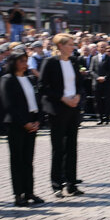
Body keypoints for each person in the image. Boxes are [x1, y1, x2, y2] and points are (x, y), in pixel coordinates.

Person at [38, 33, 84, 198]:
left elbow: (79, 83)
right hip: (58, 109)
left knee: (72, 147)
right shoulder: (50, 62)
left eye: (73, 44)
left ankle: (71, 184)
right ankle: (57, 184)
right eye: (70, 44)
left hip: (73, 108)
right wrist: (62, 98)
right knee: (58, 148)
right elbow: (42, 86)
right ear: (60, 46)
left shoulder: (73, 61)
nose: (73, 47)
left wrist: (78, 95)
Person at [1, 49, 43, 206]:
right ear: (13, 63)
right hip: (17, 125)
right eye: (21, 61)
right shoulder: (7, 79)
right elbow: (9, 105)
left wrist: (38, 120)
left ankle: (29, 192)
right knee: (17, 160)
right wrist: (24, 123)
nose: (25, 64)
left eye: (26, 61)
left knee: (28, 160)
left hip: (31, 122)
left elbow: (36, 101)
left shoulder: (29, 79)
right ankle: (18, 194)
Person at [90, 43, 110, 124]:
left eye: (104, 47)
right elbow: (91, 70)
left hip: (106, 83)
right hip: (96, 83)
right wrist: (97, 77)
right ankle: (100, 118)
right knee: (97, 101)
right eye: (101, 47)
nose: (102, 48)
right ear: (97, 48)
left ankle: (107, 118)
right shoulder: (94, 58)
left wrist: (104, 77)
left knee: (107, 101)